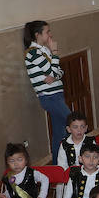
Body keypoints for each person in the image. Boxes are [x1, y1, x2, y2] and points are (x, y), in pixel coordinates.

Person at [22, 21, 70, 154]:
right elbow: (55, 71)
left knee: (60, 134)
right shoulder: (33, 53)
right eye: (47, 32)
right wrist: (54, 52)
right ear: (37, 35)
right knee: (74, 123)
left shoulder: (43, 51)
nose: (50, 34)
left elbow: (60, 72)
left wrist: (54, 75)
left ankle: (58, 165)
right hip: (50, 97)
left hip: (57, 95)